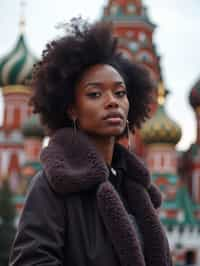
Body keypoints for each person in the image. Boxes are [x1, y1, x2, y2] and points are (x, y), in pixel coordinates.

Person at [9, 18, 172, 266]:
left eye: (120, 93)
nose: (112, 102)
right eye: (95, 94)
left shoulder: (136, 189)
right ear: (72, 109)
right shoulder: (51, 186)